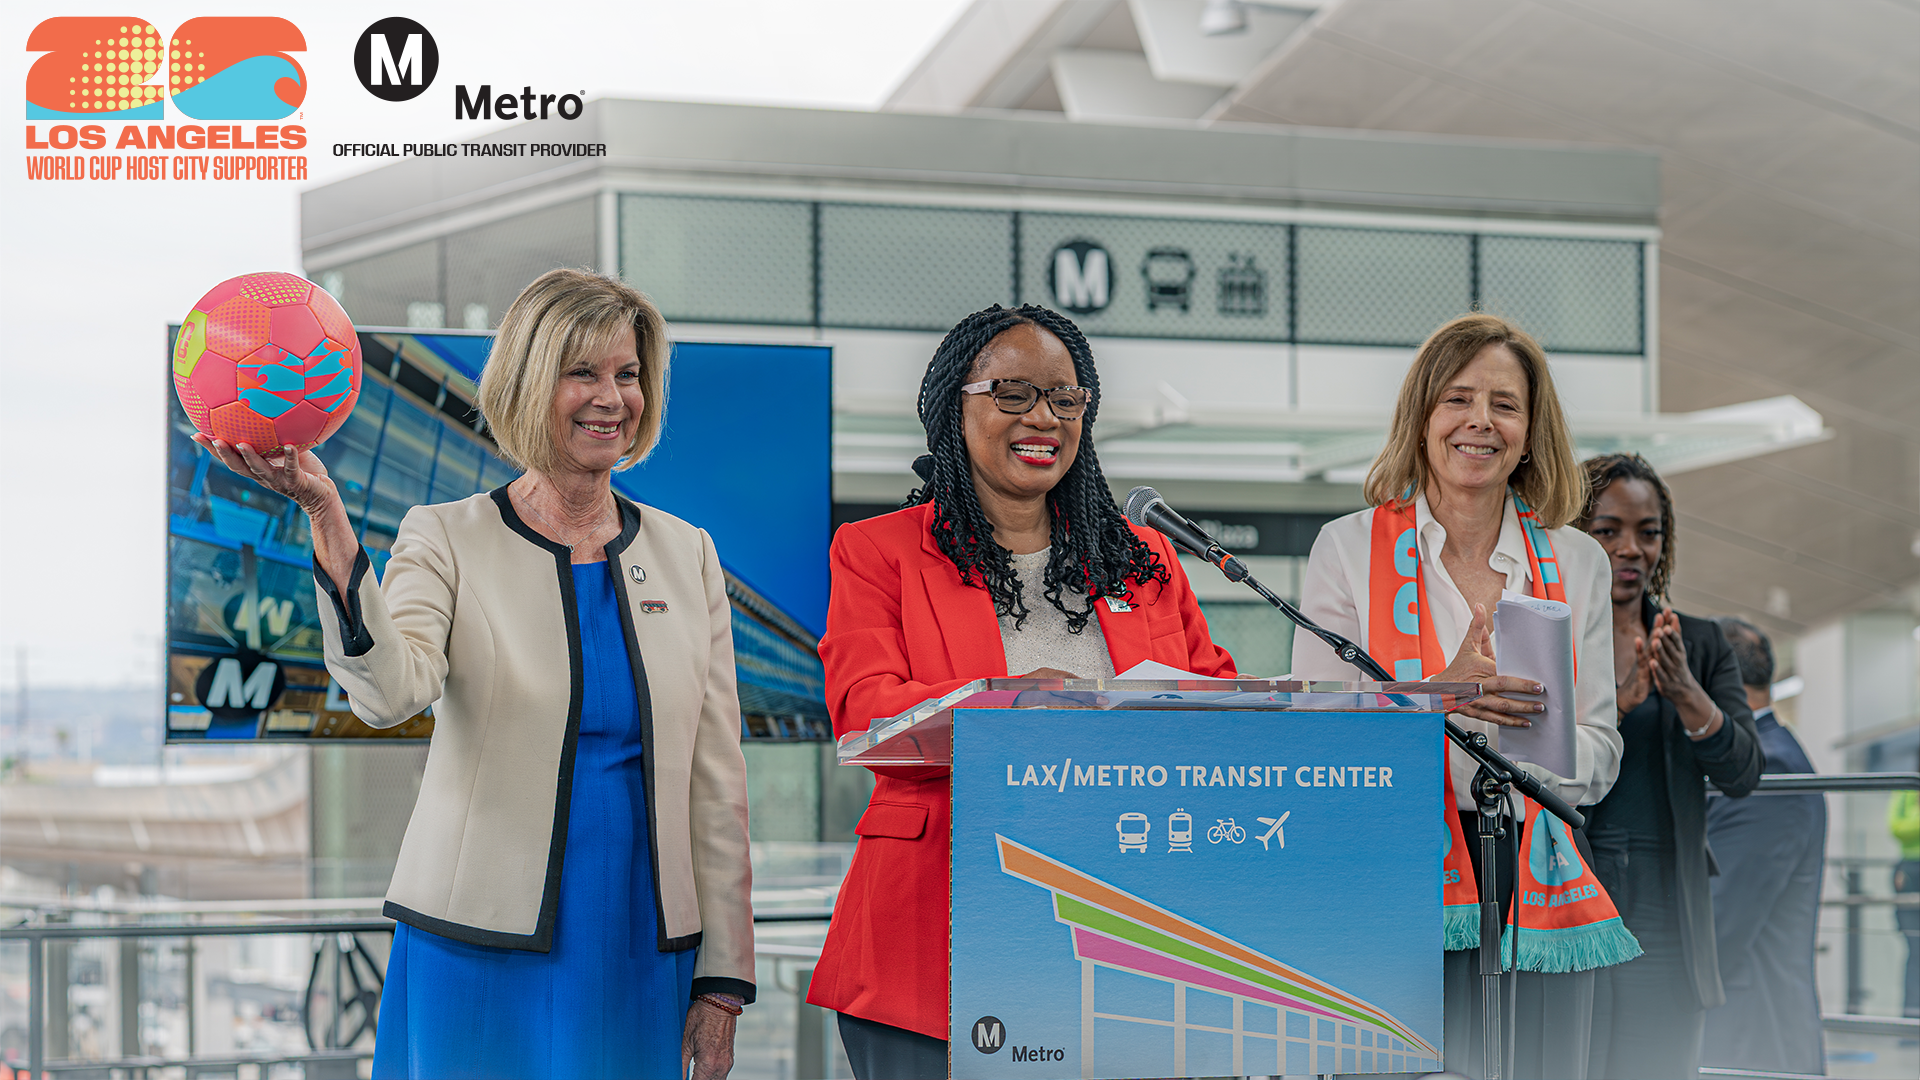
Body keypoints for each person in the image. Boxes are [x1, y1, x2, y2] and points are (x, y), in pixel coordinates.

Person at [196, 268, 754, 1080]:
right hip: (475, 945)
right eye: (582, 372)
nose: (612, 397)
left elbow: (718, 782)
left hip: (640, 947)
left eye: (627, 374)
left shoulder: (687, 552)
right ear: (530, 385)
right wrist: (329, 520)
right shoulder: (447, 536)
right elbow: (389, 693)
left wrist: (725, 983)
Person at [805, 303, 1237, 1079]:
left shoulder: (1143, 559)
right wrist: (1008, 699)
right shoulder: (879, 552)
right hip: (933, 937)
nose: (1043, 416)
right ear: (954, 405)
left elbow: (1218, 696)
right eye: (1012, 393)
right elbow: (864, 711)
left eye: (1065, 398)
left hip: (1124, 925)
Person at [1293, 312, 1626, 1079]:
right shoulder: (1346, 548)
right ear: (1421, 418)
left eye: (1505, 405)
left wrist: (1521, 742)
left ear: (1531, 431)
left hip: (1540, 870)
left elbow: (1602, 751)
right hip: (1396, 868)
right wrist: (1430, 701)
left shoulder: (1577, 561)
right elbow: (1318, 737)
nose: (1481, 421)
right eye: (1458, 399)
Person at [1577, 453, 1764, 1080]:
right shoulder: (1549, 635)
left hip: (1666, 895)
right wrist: (1620, 710)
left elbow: (1743, 772)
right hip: (1576, 885)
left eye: (1648, 531)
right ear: (1574, 536)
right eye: (1607, 531)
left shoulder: (1701, 643)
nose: (1631, 548)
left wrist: (1687, 693)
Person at [1700, 617, 1826, 1075]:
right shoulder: (1763, 751)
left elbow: (1723, 918)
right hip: (1742, 1029)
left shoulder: (1767, 765)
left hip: (1750, 1037)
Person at [1892, 773, 1920, 1018]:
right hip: (1911, 871)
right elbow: (1898, 828)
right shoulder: (1908, 787)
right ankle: (1911, 1019)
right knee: (1915, 947)